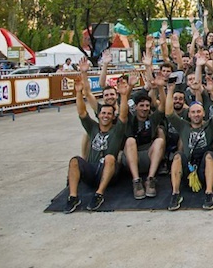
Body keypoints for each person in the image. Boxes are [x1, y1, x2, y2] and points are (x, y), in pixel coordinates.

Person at [65, 74, 130, 213]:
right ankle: (73, 197)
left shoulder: (117, 130)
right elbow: (82, 112)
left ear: (113, 117)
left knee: (110, 158)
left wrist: (124, 95)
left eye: (109, 114)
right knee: (74, 161)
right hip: (92, 169)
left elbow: (123, 115)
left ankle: (99, 194)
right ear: (99, 115)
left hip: (110, 172)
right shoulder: (92, 127)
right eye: (103, 113)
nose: (105, 116)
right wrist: (78, 92)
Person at [164, 79, 213, 211]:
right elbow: (169, 113)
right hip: (188, 167)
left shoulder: (210, 125)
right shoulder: (183, 125)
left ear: (203, 113)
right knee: (177, 156)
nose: (196, 115)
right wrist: (170, 92)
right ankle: (175, 193)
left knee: (210, 155)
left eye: (199, 112)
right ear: (189, 114)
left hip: (204, 168)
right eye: (193, 112)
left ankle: (209, 193)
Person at [123, 91, 166, 200]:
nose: (145, 108)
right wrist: (127, 91)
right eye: (141, 106)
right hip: (131, 158)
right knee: (130, 141)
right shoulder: (130, 119)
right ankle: (136, 181)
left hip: (148, 157)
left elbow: (163, 105)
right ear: (136, 107)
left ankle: (150, 179)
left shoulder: (152, 119)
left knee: (159, 141)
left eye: (147, 106)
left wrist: (161, 87)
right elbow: (123, 107)